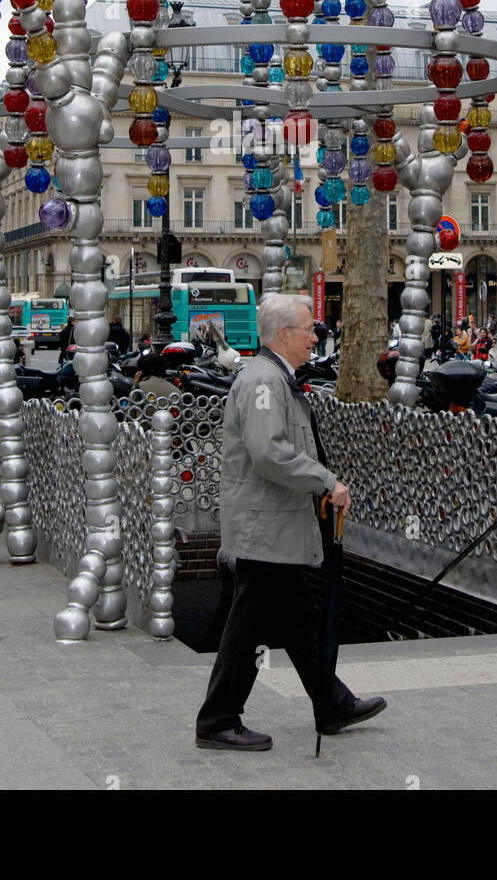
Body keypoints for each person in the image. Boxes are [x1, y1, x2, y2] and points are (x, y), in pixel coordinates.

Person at [195, 293, 386, 751]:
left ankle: (331, 702)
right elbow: (269, 452)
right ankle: (218, 719)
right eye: (308, 330)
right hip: (267, 528)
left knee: (300, 619)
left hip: (276, 525)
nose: (315, 337)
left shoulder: (274, 377)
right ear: (284, 334)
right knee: (248, 627)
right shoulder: (264, 380)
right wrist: (325, 482)